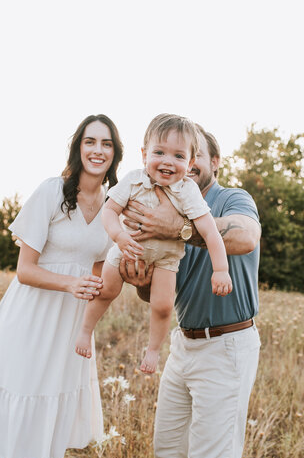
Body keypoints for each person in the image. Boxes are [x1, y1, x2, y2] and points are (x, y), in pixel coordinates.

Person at [0, 114, 123, 458]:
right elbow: (25, 270)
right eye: (90, 141)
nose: (97, 150)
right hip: (29, 320)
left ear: (115, 153)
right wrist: (71, 283)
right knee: (12, 435)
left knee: (51, 437)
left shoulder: (113, 208)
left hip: (69, 329)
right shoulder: (51, 191)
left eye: (106, 143)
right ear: (78, 147)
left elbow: (102, 279)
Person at [120, 125, 261, 458]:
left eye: (195, 154)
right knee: (167, 450)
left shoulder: (231, 198)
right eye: (182, 153)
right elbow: (158, 294)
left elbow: (247, 237)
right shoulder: (162, 202)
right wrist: (140, 280)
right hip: (183, 345)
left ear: (212, 162)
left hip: (227, 345)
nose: (188, 161)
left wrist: (179, 230)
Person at [75, 114, 232, 374]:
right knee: (106, 292)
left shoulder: (188, 191)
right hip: (126, 249)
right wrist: (119, 236)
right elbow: (109, 212)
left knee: (163, 305)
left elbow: (210, 232)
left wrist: (221, 270)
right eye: (159, 152)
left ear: (191, 162)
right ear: (144, 154)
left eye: (179, 157)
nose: (168, 162)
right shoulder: (133, 180)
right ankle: (84, 331)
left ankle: (153, 350)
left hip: (165, 260)